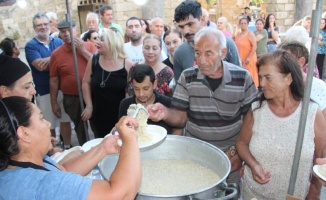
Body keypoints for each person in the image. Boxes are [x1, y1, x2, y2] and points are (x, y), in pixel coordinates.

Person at [147, 28, 258, 195]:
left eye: (208, 53)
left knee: (228, 195)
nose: (201, 60)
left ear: (223, 52)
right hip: (196, 156)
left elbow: (251, 122)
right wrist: (165, 113)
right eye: (197, 53)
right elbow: (180, 118)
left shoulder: (242, 78)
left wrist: (240, 155)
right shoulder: (187, 77)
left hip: (230, 155)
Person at [0, 96, 141, 199]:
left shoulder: (17, 165)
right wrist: (130, 138)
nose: (48, 124)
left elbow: (63, 171)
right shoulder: (43, 185)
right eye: (41, 119)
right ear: (24, 134)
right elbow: (122, 194)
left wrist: (103, 148)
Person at [236, 50, 326, 199]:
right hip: (254, 194)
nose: (262, 84)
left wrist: (314, 191)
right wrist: (252, 164)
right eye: (260, 77)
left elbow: (321, 156)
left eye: (268, 78)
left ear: (288, 79)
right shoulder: (256, 111)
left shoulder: (311, 114)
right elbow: (241, 144)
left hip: (294, 196)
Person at [25, 13, 72, 150]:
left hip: (62, 89)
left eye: (45, 24)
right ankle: (52, 149)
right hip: (44, 90)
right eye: (39, 25)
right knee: (48, 123)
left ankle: (67, 147)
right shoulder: (30, 46)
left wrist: (50, 61)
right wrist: (58, 59)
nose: (43, 27)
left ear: (50, 25)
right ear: (34, 28)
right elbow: (39, 66)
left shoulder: (58, 42)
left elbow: (65, 62)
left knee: (65, 120)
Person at [49, 20, 96, 146]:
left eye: (69, 30)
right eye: (63, 31)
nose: (66, 33)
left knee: (97, 125)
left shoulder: (89, 46)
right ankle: (85, 151)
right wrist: (53, 102)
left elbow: (97, 63)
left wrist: (81, 50)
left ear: (76, 30)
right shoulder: (56, 54)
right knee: (81, 129)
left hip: (93, 94)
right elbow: (54, 79)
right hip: (72, 98)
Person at [82, 28, 133, 138]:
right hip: (98, 116)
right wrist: (89, 106)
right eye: (98, 39)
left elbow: (130, 94)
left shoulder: (127, 64)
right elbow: (86, 82)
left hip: (119, 117)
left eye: (102, 39)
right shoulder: (94, 59)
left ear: (113, 42)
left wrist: (126, 117)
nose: (98, 42)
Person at [173, 0, 241, 82]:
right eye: (181, 27)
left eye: (190, 24)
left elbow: (239, 79)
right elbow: (180, 90)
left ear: (202, 19)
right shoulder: (179, 53)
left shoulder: (226, 43)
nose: (186, 31)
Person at [119, 64, 181, 135]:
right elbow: (121, 130)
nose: (141, 94)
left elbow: (177, 129)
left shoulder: (167, 103)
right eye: (136, 89)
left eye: (145, 88)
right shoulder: (125, 104)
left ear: (154, 84)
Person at [278, 41, 326, 119]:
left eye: (285, 59)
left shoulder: (319, 86)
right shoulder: (275, 84)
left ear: (301, 61)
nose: (279, 63)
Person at [235, 17, 258, 87]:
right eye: (241, 23)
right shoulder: (238, 35)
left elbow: (254, 46)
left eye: (245, 23)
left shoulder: (250, 34)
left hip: (249, 59)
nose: (243, 25)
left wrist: (249, 57)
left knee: (251, 75)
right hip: (241, 58)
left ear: (248, 24)